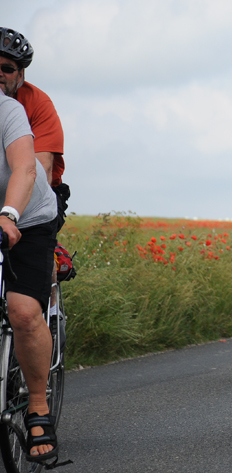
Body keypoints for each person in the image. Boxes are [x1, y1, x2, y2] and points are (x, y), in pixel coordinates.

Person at [1, 88, 60, 461]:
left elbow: (25, 166)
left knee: (22, 311)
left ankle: (38, 406)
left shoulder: (7, 110)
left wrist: (8, 214)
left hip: (26, 214)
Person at [0, 28, 68, 229]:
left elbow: (39, 172)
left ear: (21, 74)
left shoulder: (38, 103)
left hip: (35, 199)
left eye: (7, 69)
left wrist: (10, 216)